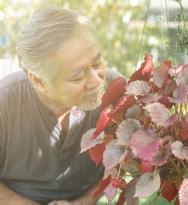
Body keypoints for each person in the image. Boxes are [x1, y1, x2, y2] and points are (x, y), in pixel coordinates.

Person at [0, 7, 122, 205]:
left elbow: (123, 164)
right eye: (77, 76)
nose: (96, 80)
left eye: (97, 63)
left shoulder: (116, 90)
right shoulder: (4, 104)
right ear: (39, 82)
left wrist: (83, 202)